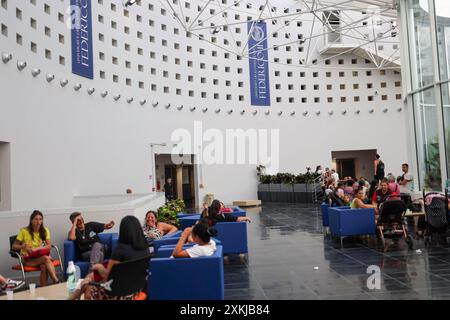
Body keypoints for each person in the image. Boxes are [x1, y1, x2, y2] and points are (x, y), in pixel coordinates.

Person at [70, 216, 150, 300]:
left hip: (117, 294)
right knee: (90, 277)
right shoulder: (145, 249)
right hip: (136, 291)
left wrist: (99, 267)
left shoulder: (120, 250)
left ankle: (72, 298)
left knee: (88, 287)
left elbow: (108, 278)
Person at [12, 210, 59, 287]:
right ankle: (56, 281)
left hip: (40, 257)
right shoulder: (24, 231)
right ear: (31, 220)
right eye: (36, 219)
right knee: (46, 258)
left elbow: (49, 246)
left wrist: (36, 249)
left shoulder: (45, 230)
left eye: (40, 219)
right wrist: (22, 246)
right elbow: (14, 246)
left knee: (44, 266)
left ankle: (44, 289)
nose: (38, 222)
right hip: (27, 259)